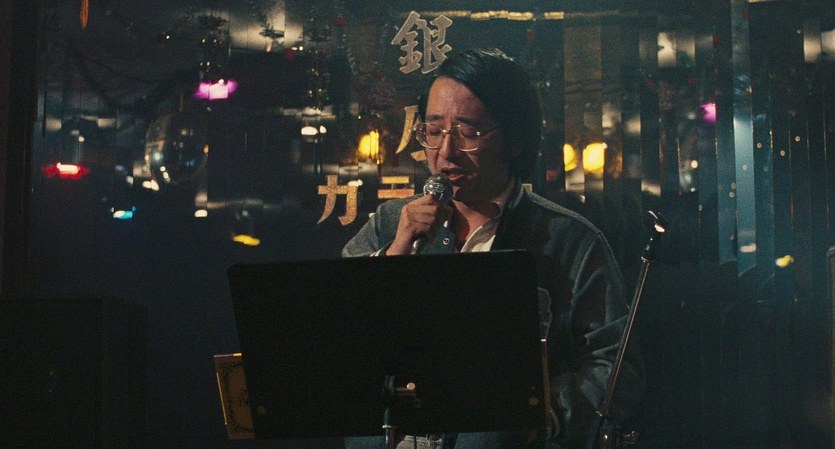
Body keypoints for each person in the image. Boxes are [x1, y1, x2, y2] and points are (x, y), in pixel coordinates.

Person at [342, 48, 644, 449]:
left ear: (514, 140)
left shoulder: (567, 239)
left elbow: (615, 366)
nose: (445, 152)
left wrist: (536, 414)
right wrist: (395, 254)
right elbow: (337, 333)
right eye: (433, 131)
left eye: (468, 133)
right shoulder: (389, 223)